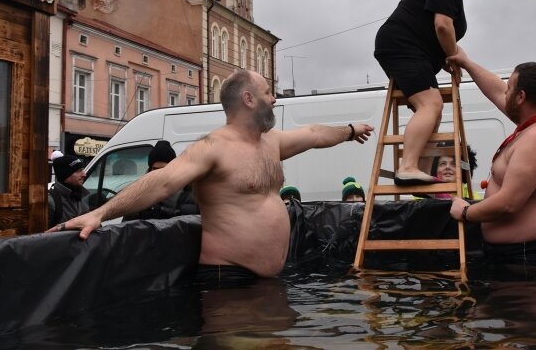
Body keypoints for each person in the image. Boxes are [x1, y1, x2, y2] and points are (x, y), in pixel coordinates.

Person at [48, 69, 373, 285]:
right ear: (249, 99)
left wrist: (349, 130)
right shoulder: (213, 147)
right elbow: (160, 182)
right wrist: (100, 213)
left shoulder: (271, 143)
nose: (274, 99)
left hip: (268, 281)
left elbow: (314, 133)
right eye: (267, 92)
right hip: (228, 279)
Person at [373, 0, 505, 185]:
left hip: (411, 50)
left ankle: (416, 169)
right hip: (402, 46)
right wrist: (454, 57)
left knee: (432, 111)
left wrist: (443, 56)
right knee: (430, 104)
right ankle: (408, 166)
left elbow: (433, 31)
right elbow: (443, 26)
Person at [445, 48, 536, 266]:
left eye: (510, 88)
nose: (504, 92)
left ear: (521, 97)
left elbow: (509, 204)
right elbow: (497, 91)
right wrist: (466, 62)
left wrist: (466, 212)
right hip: (526, 256)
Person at [123, 140, 199, 221]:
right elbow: (127, 228)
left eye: (163, 169)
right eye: (155, 169)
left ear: (172, 168)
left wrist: (171, 210)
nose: (159, 173)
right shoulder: (139, 194)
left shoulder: (190, 194)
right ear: (150, 169)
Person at [48, 155, 90, 229]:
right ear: (65, 175)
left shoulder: (83, 196)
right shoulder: (51, 201)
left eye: (83, 170)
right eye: (78, 171)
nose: (84, 174)